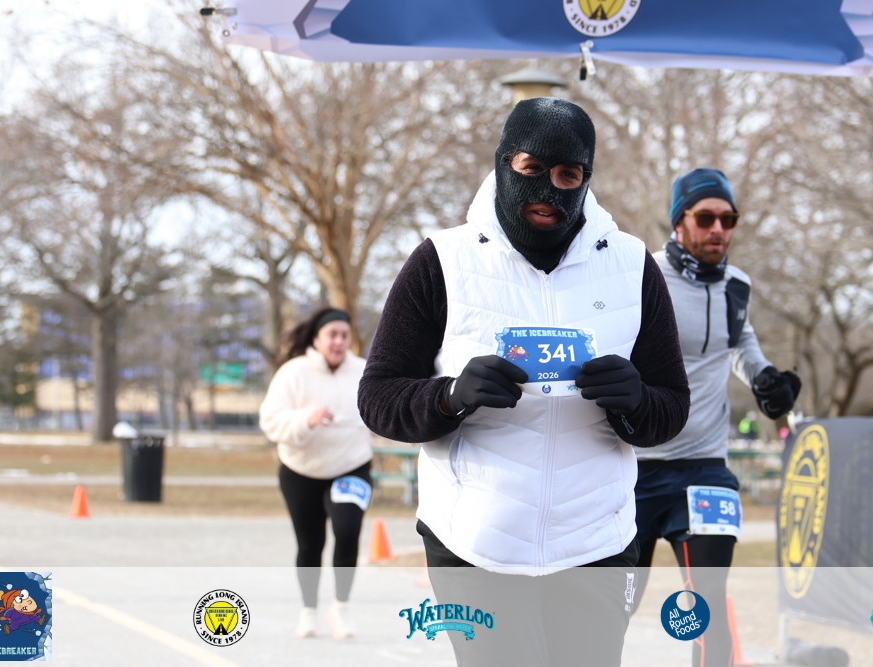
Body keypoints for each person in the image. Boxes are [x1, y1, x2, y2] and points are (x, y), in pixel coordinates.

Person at [358, 97, 690, 666]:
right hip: (474, 544)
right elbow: (378, 396)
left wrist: (635, 402)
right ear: (503, 162)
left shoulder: (633, 266)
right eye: (532, 168)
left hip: (596, 544)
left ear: (587, 177)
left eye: (569, 175)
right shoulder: (442, 261)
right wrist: (449, 397)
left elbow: (672, 406)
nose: (548, 190)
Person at [633, 167, 801, 667]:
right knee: (613, 608)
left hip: (706, 468)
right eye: (706, 217)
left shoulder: (736, 286)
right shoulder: (641, 276)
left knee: (706, 610)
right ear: (679, 220)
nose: (718, 230)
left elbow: (741, 347)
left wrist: (768, 382)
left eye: (729, 220)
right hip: (632, 469)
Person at [259, 307, 373, 640]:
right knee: (310, 543)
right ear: (316, 339)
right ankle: (308, 610)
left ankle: (341, 607)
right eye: (331, 335)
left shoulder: (363, 371)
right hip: (301, 471)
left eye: (344, 335)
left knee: (347, 530)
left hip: (351, 466)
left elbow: (383, 410)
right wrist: (306, 419)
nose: (338, 342)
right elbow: (270, 422)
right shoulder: (294, 372)